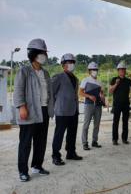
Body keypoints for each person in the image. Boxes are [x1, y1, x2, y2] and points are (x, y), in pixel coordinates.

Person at [14, 38, 54, 182]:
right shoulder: (24, 71)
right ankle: (23, 171)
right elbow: (18, 90)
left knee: (41, 141)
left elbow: (49, 92)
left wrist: (51, 108)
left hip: (43, 110)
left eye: (45, 52)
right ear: (33, 54)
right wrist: (22, 107)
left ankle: (37, 165)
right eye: (42, 52)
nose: (44, 55)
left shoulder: (45, 73)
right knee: (25, 142)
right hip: (30, 111)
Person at [51, 53, 82, 166]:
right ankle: (56, 156)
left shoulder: (75, 78)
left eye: (72, 62)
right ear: (63, 65)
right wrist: (52, 108)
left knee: (72, 133)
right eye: (68, 62)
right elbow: (51, 93)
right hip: (62, 111)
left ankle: (71, 152)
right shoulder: (58, 77)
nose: (71, 65)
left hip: (74, 110)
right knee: (59, 134)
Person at [109, 61, 131, 145]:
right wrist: (116, 84)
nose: (122, 71)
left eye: (124, 70)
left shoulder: (128, 80)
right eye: (121, 70)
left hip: (126, 104)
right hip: (117, 104)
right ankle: (115, 139)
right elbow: (110, 91)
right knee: (116, 122)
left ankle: (124, 139)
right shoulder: (114, 79)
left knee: (125, 122)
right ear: (118, 71)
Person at [80, 62, 105, 150]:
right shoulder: (85, 80)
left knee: (96, 125)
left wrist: (103, 99)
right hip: (89, 105)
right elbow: (80, 92)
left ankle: (94, 141)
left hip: (98, 105)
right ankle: (85, 143)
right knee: (86, 125)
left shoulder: (99, 81)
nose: (94, 71)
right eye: (93, 70)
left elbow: (102, 93)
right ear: (89, 71)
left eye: (96, 70)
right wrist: (89, 96)